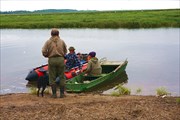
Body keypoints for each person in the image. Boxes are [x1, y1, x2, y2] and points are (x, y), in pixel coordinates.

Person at [42, 28, 67, 98]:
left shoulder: (48, 42)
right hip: (61, 59)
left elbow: (44, 51)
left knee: (52, 77)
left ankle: (54, 94)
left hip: (52, 60)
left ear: (51, 34)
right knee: (62, 77)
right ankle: (62, 94)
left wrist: (47, 55)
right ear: (58, 34)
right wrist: (62, 55)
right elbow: (65, 51)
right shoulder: (62, 41)